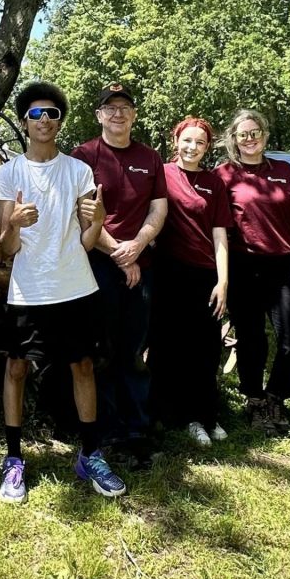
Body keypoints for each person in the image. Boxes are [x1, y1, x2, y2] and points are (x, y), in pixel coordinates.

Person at [0, 81, 126, 504]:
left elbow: (86, 242)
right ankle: (14, 461)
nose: (44, 120)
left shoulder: (78, 171)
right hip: (28, 290)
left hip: (75, 287)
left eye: (52, 114)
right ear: (25, 122)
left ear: (60, 122)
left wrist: (99, 219)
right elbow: (7, 249)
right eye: (35, 114)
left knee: (83, 367)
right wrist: (14, 224)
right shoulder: (9, 174)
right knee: (16, 370)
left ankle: (90, 454)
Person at [72, 83, 167, 466]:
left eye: (125, 107)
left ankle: (137, 429)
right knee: (103, 351)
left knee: (134, 350)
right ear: (99, 115)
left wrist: (138, 246)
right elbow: (83, 213)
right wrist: (119, 254)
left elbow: (158, 210)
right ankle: (105, 430)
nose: (117, 114)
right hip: (97, 265)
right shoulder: (83, 156)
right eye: (109, 108)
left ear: (134, 114)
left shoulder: (150, 157)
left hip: (140, 267)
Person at [216, 109, 290, 434]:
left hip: (285, 266)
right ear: (234, 140)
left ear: (265, 135)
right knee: (252, 341)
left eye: (255, 131)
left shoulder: (285, 171)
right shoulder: (224, 175)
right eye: (243, 134)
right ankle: (255, 401)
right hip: (244, 267)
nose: (250, 138)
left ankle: (276, 396)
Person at [148, 116, 231, 446]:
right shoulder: (162, 174)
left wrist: (223, 281)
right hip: (168, 272)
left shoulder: (214, 183)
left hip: (205, 275)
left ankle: (207, 413)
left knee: (207, 348)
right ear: (176, 141)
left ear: (207, 147)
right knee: (170, 346)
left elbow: (220, 233)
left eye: (200, 142)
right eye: (187, 140)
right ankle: (178, 416)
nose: (192, 147)